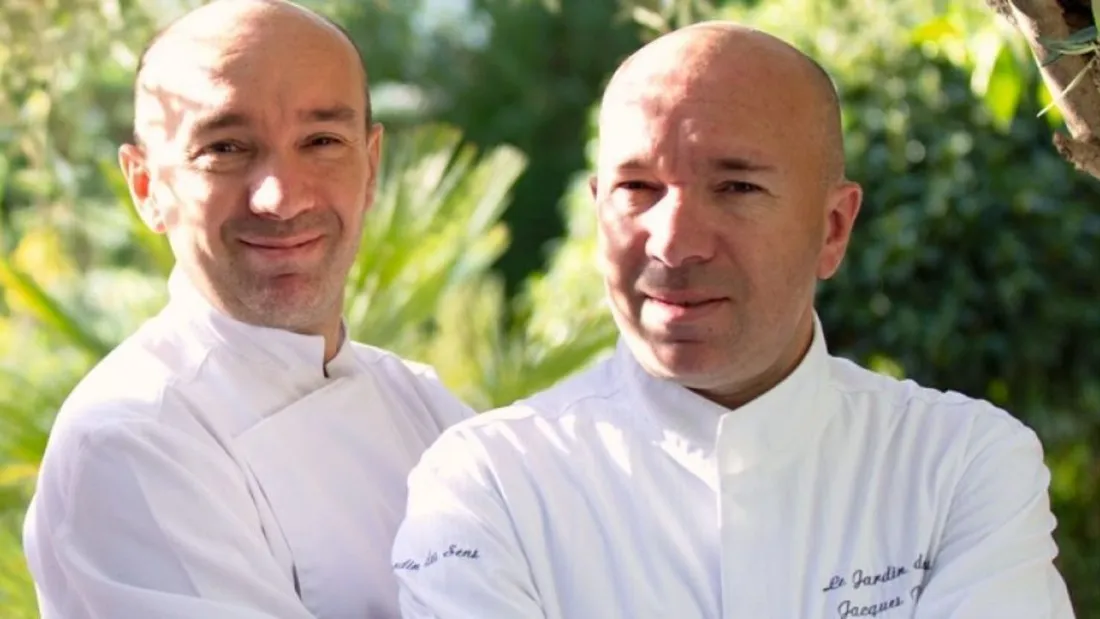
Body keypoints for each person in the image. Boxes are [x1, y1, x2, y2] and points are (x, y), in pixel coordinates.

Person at [389, 20, 1076, 619]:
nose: (675, 242)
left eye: (737, 186)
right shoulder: (490, 484)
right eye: (638, 188)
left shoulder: (958, 465)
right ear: (598, 213)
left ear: (833, 228)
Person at [21, 1, 474, 617]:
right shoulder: (130, 438)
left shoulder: (422, 405)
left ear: (370, 168)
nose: (281, 198)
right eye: (227, 147)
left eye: (321, 141)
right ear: (148, 188)